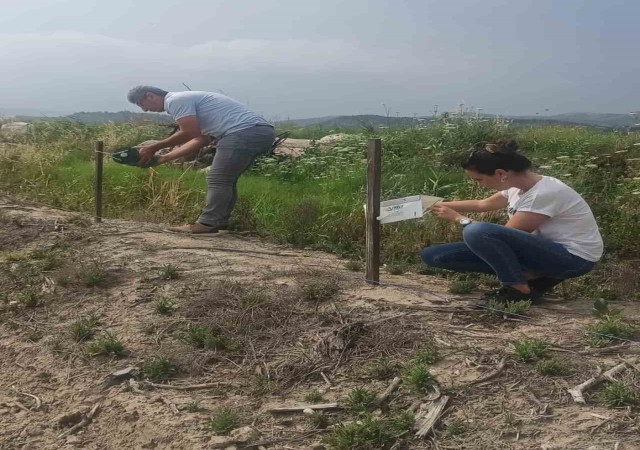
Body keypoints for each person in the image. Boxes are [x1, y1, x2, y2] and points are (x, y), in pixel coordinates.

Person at [420, 140, 603, 303]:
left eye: (479, 179)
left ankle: (518, 289)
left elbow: (496, 237)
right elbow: (482, 204)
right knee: (433, 255)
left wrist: (458, 218)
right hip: (544, 251)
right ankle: (534, 277)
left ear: (501, 173)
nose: (478, 184)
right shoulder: (516, 186)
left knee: (476, 232)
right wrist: (432, 204)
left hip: (572, 259)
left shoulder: (543, 193)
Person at [127, 86, 275, 233]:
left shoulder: (175, 100)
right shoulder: (186, 101)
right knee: (226, 179)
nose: (144, 110)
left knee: (218, 179)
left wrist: (154, 147)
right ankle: (218, 222)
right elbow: (201, 139)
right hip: (259, 132)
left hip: (243, 132)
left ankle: (208, 224)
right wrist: (165, 158)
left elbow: (189, 132)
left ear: (150, 96)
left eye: (141, 104)